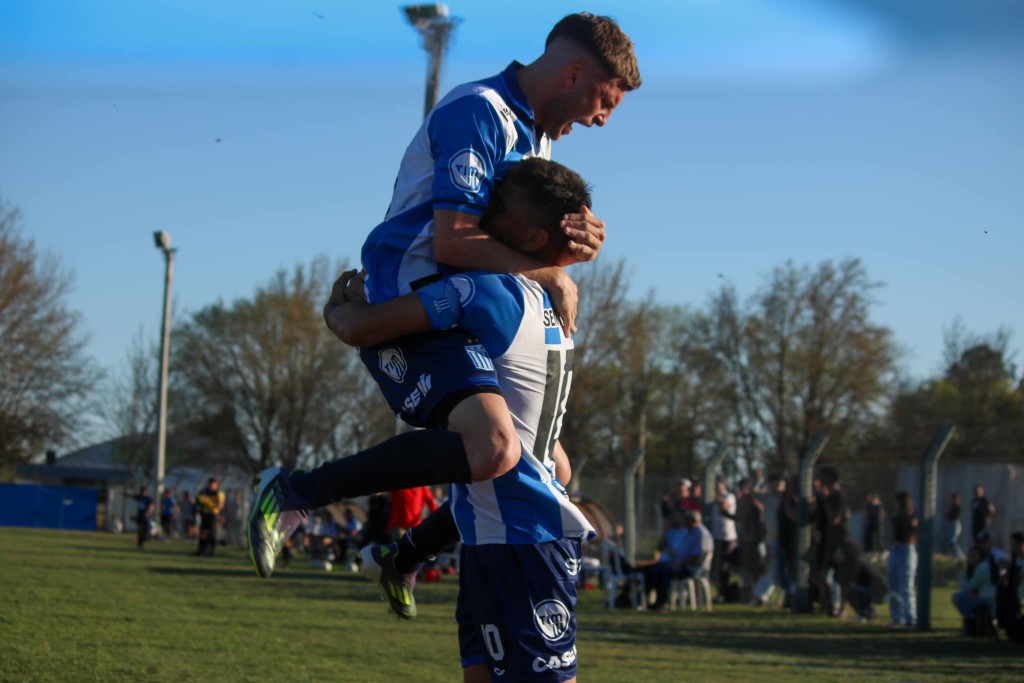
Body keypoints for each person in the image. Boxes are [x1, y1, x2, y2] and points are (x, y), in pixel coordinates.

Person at [246, 13, 641, 598]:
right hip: (421, 289)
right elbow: (455, 239)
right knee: (494, 447)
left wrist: (569, 247)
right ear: (574, 73)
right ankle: (295, 492)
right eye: (602, 101)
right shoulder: (478, 110)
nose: (601, 119)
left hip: (478, 308)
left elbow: (514, 243)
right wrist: (551, 268)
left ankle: (402, 557)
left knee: (549, 470)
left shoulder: (538, 135)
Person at [327, 158, 599, 681]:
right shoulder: (552, 303)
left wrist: (335, 309)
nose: (479, 210)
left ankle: (306, 491)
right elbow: (556, 462)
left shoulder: (487, 290)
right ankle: (401, 555)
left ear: (532, 235)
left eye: (498, 207)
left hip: (524, 542)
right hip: (493, 537)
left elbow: (364, 328)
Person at [649, 510, 713, 611]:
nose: (684, 523)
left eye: (687, 520)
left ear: (693, 520)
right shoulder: (690, 532)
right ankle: (659, 601)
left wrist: (680, 562)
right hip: (682, 564)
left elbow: (697, 557)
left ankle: (663, 602)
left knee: (665, 572)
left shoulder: (701, 534)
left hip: (692, 568)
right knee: (659, 568)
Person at [833, 540, 888, 621]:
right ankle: (868, 611)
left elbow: (845, 587)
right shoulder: (857, 561)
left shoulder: (855, 564)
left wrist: (842, 611)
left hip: (878, 592)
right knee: (851, 590)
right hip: (875, 591)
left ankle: (867, 613)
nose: (837, 553)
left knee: (849, 591)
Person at [887, 490, 919, 627]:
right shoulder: (896, 515)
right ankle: (897, 618)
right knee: (894, 586)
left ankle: (910, 618)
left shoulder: (911, 516)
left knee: (906, 586)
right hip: (896, 549)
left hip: (907, 549)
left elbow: (912, 531)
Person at [710, 478, 737, 601]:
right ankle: (719, 592)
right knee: (716, 566)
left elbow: (725, 505)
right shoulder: (710, 496)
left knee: (724, 566)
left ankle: (725, 593)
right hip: (715, 536)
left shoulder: (729, 496)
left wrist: (717, 497)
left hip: (728, 536)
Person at [196, 477, 225, 556]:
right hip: (205, 514)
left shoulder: (219, 494)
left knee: (212, 534)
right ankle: (201, 550)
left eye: (213, 485)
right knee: (203, 533)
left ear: (216, 485)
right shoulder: (203, 492)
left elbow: (220, 506)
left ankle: (210, 551)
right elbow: (198, 502)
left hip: (214, 515)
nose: (211, 486)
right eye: (210, 484)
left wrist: (221, 515)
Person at [862, 493, 884, 560]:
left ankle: (880, 552)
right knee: (871, 540)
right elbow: (867, 514)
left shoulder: (878, 507)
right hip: (871, 525)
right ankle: (872, 553)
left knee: (877, 539)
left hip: (877, 525)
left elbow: (880, 514)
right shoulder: (869, 506)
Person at [944, 492, 964, 561]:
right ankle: (955, 556)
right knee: (950, 541)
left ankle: (960, 556)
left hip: (955, 524)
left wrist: (949, 513)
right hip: (952, 524)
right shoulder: (952, 507)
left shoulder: (957, 507)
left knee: (952, 541)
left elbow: (954, 516)